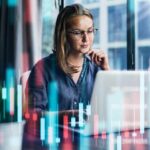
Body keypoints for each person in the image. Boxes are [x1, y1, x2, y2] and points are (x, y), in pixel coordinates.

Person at [25, 4, 110, 115]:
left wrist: (106, 70)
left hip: (89, 132)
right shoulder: (42, 69)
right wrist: (66, 116)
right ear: (63, 34)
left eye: (90, 31)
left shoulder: (97, 68)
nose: (86, 38)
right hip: (54, 132)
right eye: (77, 32)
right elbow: (33, 115)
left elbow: (111, 108)